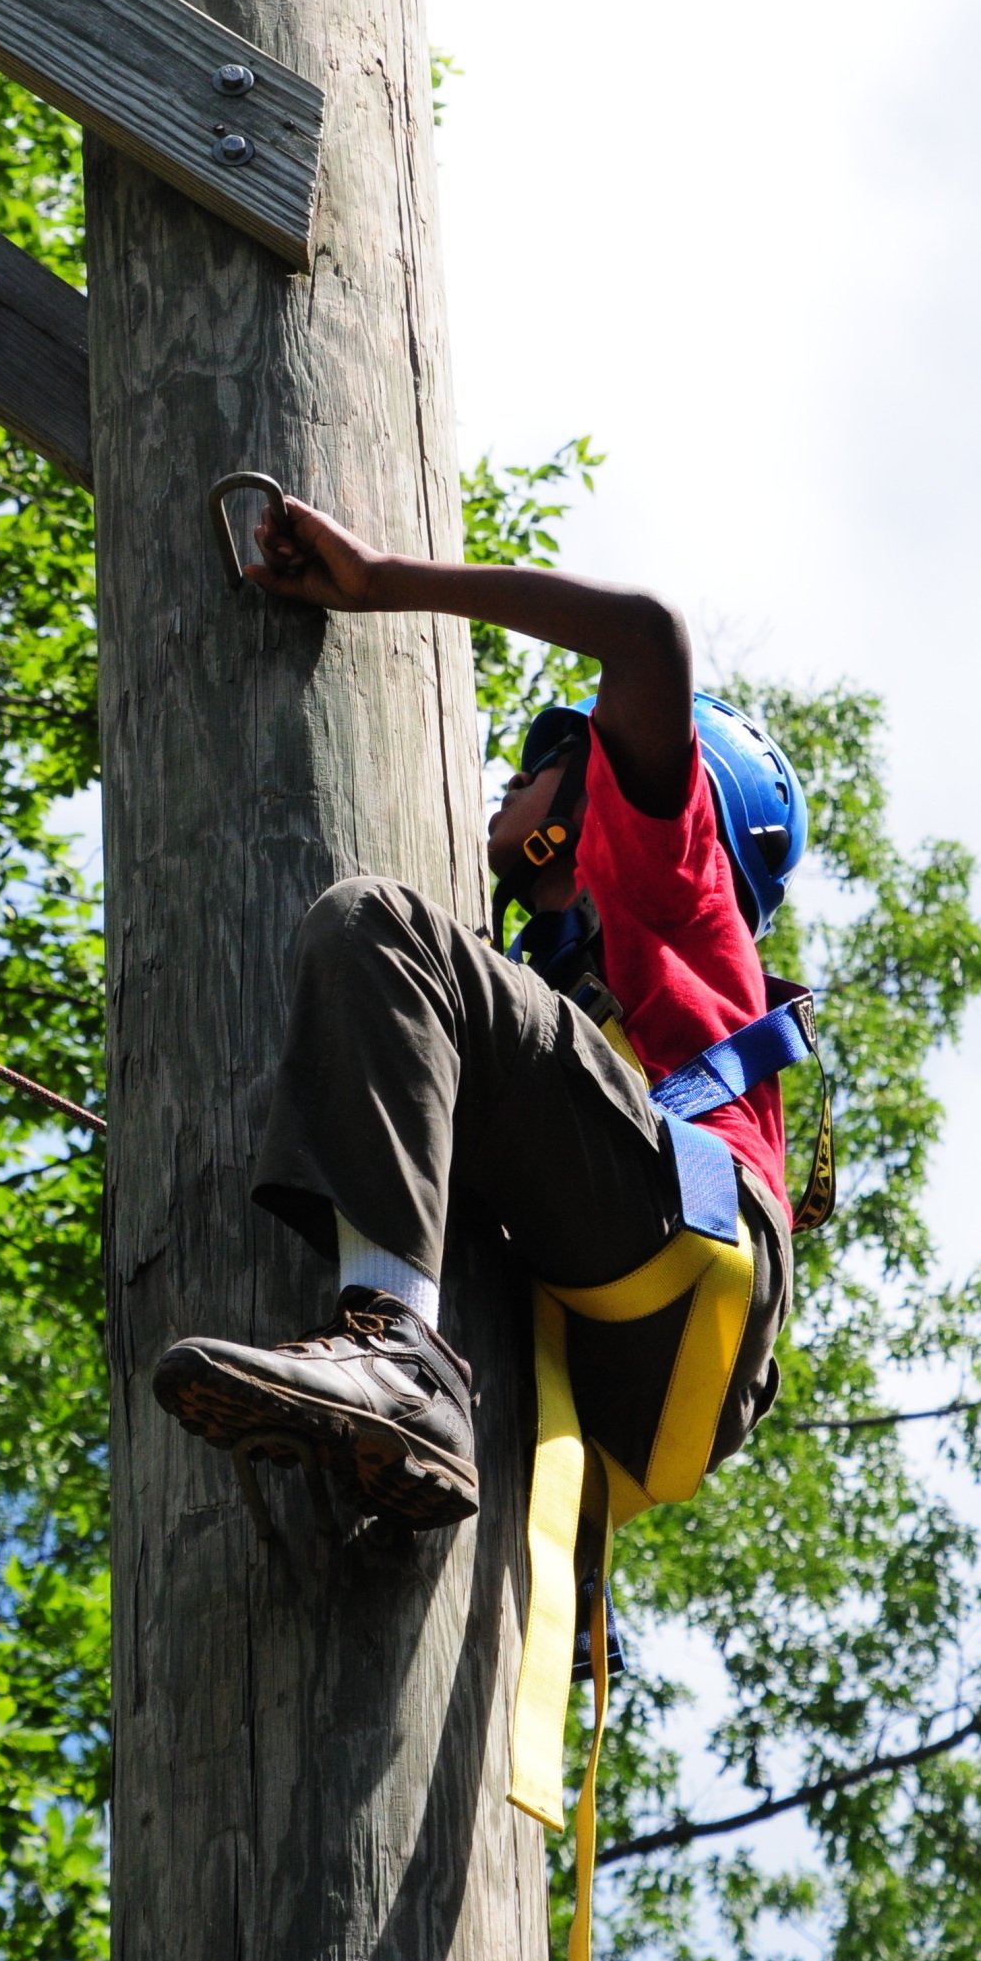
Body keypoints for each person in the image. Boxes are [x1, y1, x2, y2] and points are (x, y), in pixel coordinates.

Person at [151, 492, 809, 1531]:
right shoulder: (541, 985)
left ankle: (398, 1352)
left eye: (549, 759)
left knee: (382, 927)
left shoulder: (667, 862)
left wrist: (379, 583)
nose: (513, 775)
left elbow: (646, 635)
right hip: (639, 1359)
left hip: (697, 1229)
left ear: (608, 781)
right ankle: (423, 1421)